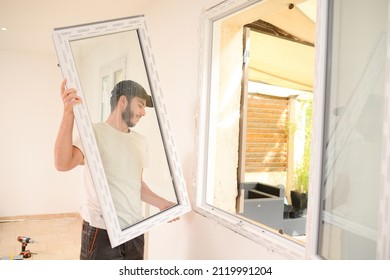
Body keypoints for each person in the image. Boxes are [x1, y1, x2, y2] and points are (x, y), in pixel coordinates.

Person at [54, 79, 177, 260]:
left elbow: (137, 185)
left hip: (135, 231)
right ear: (123, 101)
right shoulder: (93, 133)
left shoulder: (141, 142)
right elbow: (63, 163)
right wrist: (68, 114)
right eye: (140, 105)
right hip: (103, 232)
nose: (143, 113)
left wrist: (162, 203)